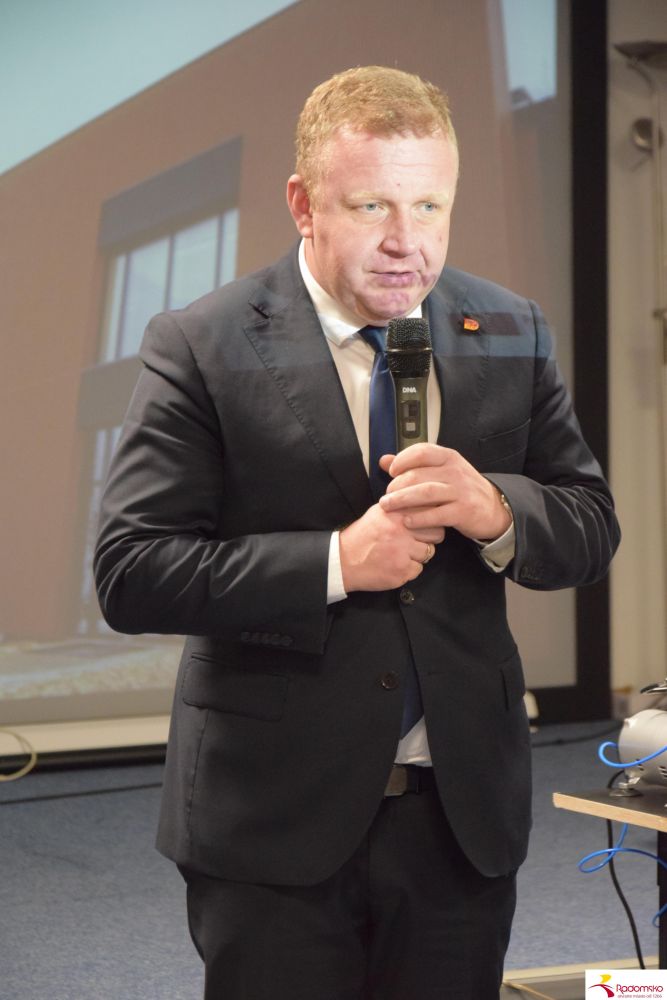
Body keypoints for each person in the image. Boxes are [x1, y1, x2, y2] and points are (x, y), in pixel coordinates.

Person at [94, 66, 620, 999]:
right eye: (371, 205)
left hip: (459, 816)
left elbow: (588, 526)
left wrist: (497, 510)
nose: (404, 242)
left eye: (429, 205)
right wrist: (337, 562)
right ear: (303, 204)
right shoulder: (202, 342)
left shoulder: (508, 327)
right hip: (272, 818)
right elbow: (133, 571)